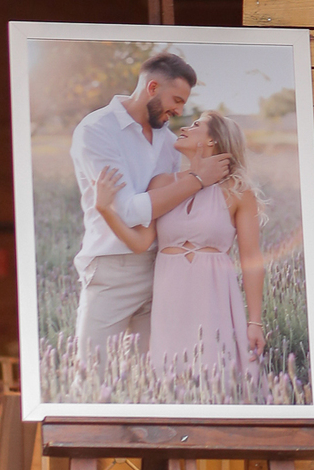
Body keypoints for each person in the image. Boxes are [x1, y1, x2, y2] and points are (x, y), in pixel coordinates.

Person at [70, 52, 230, 374]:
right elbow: (128, 211)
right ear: (152, 87)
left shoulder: (167, 141)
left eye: (184, 104)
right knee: (92, 374)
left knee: (158, 376)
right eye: (176, 100)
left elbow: (161, 215)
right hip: (111, 269)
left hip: (161, 272)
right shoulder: (97, 131)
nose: (179, 111)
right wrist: (198, 180)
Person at [95, 110, 265, 396]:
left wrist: (255, 321)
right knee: (169, 379)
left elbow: (251, 259)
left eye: (196, 125)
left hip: (213, 297)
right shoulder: (161, 184)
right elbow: (140, 243)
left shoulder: (238, 191)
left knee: (218, 379)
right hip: (170, 297)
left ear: (212, 140)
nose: (185, 127)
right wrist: (105, 210)